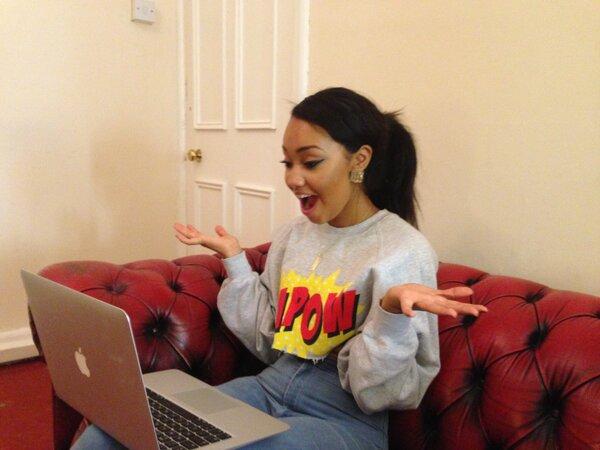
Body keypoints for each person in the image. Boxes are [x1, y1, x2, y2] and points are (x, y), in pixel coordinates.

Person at [72, 87, 487, 449]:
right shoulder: (294, 236)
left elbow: (379, 394)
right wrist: (235, 262)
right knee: (115, 428)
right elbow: (270, 342)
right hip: (267, 388)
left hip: (345, 418)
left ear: (358, 160)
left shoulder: (404, 251)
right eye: (288, 163)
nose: (293, 179)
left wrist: (390, 315)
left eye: (311, 162)